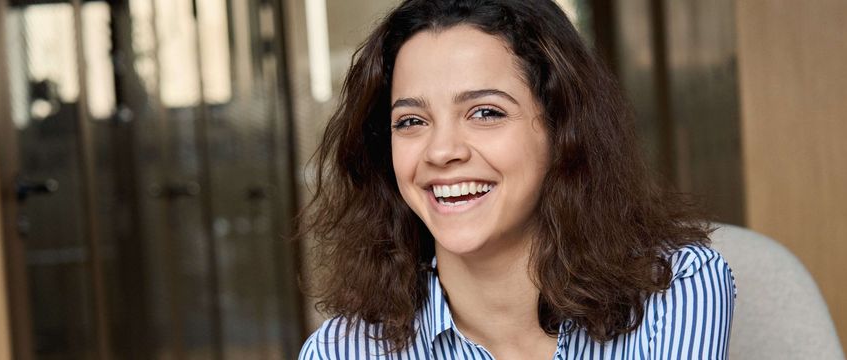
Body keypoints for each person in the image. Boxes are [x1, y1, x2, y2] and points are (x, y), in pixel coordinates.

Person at [297, 0, 736, 358]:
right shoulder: (342, 352)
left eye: (485, 112)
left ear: (562, 130)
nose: (441, 151)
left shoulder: (673, 289)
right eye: (411, 121)